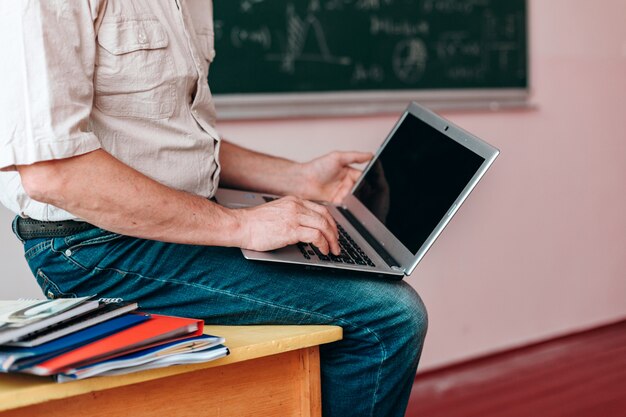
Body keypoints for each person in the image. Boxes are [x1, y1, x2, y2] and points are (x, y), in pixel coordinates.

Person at [0, 2, 427, 416]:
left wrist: (297, 179)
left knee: (357, 281)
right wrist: (241, 226)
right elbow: (54, 173)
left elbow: (168, 144)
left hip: (184, 224)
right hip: (94, 248)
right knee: (388, 319)